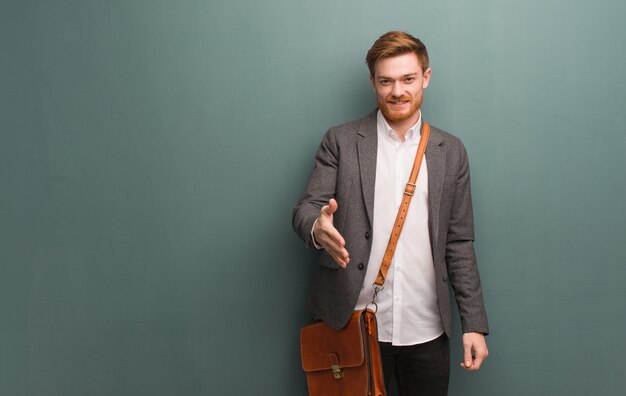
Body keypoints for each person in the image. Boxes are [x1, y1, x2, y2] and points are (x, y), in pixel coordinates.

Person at [292, 31, 489, 395]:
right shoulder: (340, 141)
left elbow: (459, 242)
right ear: (373, 83)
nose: (397, 91)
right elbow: (306, 209)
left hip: (427, 331)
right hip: (350, 325)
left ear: (426, 77)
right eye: (386, 81)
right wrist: (318, 227)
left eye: (408, 79)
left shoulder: (451, 152)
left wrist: (474, 324)